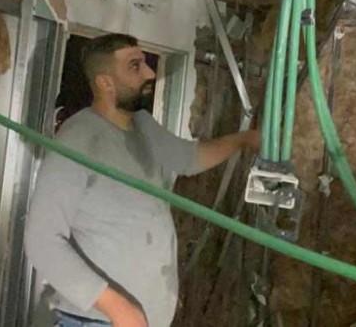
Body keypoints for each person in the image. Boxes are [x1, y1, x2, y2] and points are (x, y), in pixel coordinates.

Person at [24, 33, 259, 327]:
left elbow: (188, 159)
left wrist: (244, 140)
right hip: (97, 322)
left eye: (146, 63)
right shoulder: (79, 138)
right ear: (105, 83)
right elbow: (42, 240)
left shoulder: (142, 125)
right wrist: (118, 308)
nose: (150, 73)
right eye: (135, 66)